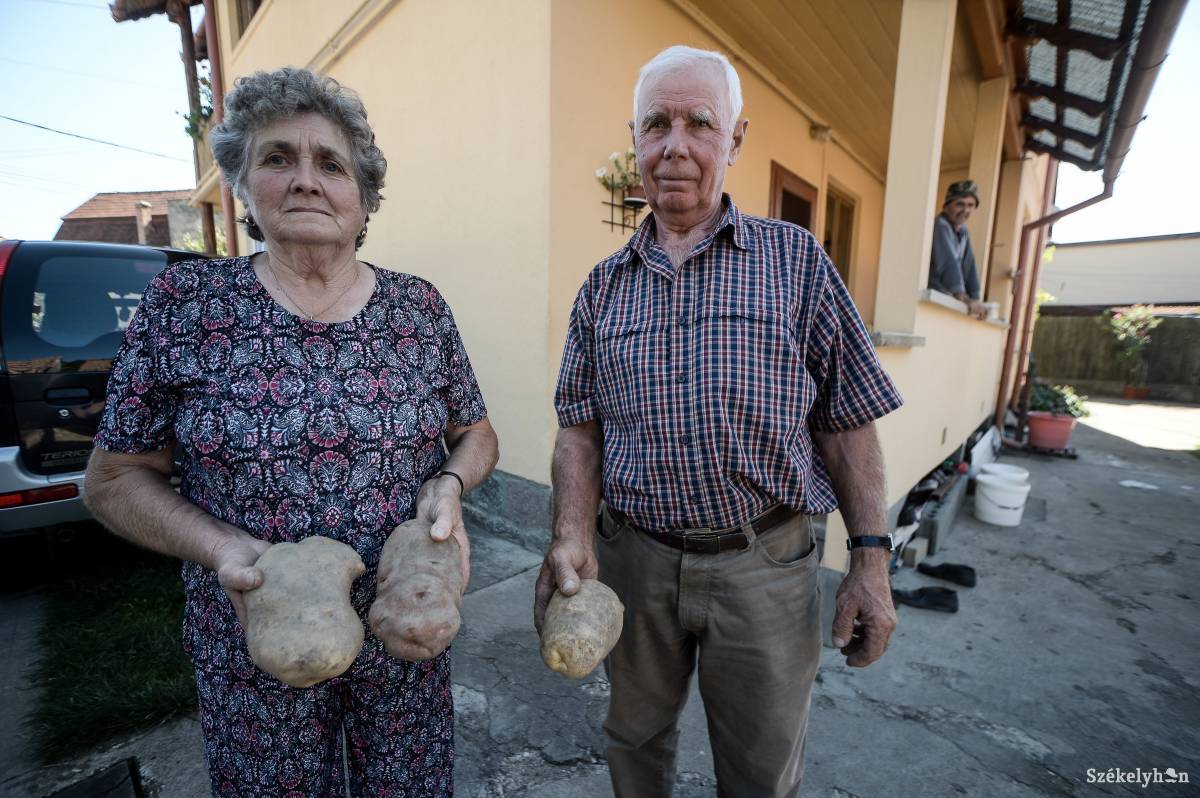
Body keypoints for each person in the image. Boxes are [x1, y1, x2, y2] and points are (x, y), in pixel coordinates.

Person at [85, 67, 498, 796]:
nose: (306, 179)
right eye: (279, 158)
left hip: (407, 631)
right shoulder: (186, 305)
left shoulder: (417, 309)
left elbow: (478, 433)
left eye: (330, 164)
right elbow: (113, 479)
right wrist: (221, 549)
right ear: (243, 184)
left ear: (363, 196)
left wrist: (450, 482)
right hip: (255, 642)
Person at [533, 46, 904, 797]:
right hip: (635, 561)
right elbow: (579, 430)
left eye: (699, 123)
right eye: (656, 124)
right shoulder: (602, 289)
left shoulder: (795, 261)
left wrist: (870, 558)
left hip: (764, 563)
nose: (675, 146)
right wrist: (570, 538)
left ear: (734, 140)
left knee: (762, 766)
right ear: (634, 140)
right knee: (633, 742)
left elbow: (848, 421)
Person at [930, 180, 988, 319]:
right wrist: (962, 296)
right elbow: (948, 263)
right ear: (947, 205)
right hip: (935, 299)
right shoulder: (940, 226)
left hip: (947, 300)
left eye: (970, 205)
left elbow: (969, 266)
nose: (965, 210)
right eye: (960, 204)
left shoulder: (963, 232)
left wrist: (975, 298)